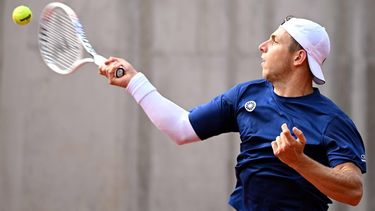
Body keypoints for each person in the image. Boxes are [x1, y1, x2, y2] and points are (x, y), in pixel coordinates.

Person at [98, 16, 366, 210]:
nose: (262, 46)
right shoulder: (245, 96)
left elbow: (353, 191)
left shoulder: (331, 120)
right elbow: (181, 128)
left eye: (273, 41)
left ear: (298, 58)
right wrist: (134, 82)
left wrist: (298, 161)